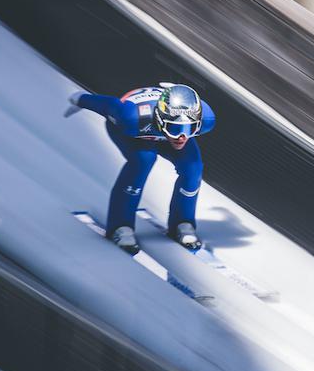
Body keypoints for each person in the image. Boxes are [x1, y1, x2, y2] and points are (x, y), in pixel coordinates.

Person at [65, 83, 215, 254]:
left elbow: (185, 116)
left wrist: (178, 93)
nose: (181, 137)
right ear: (159, 118)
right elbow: (106, 105)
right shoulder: (130, 117)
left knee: (193, 167)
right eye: (175, 128)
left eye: (190, 128)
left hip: (156, 128)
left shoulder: (206, 119)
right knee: (143, 160)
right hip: (136, 131)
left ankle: (182, 222)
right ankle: (120, 226)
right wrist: (80, 99)